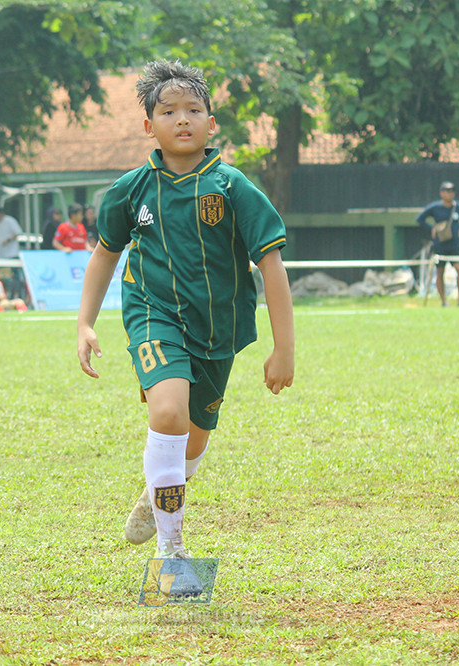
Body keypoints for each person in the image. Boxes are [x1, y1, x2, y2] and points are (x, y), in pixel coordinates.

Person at [76, 60, 295, 565]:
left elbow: (272, 266)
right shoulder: (131, 189)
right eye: (168, 110)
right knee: (169, 413)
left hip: (218, 328)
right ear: (148, 126)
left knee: (194, 437)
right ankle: (172, 554)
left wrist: (285, 348)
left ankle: (159, 494)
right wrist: (85, 323)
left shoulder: (233, 187)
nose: (182, 119)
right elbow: (105, 253)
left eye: (194, 109)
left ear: (211, 123)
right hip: (154, 316)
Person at [416, 180, 459, 306]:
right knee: (440, 272)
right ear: (441, 193)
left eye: (452, 191)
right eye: (447, 191)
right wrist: (432, 228)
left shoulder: (458, 207)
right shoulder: (435, 207)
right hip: (440, 244)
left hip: (454, 245)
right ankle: (443, 301)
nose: (450, 193)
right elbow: (420, 218)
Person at [0, 206, 24, 298]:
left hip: (12, 254)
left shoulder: (9, 221)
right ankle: (7, 295)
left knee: (15, 278)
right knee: (4, 278)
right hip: (1, 255)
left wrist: (8, 240)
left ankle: (18, 295)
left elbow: (18, 232)